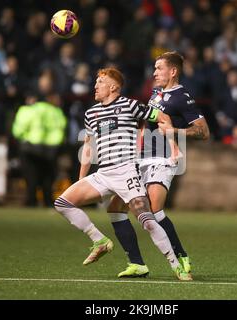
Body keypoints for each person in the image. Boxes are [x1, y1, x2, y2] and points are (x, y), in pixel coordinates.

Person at [53, 67, 192, 281]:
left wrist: (173, 145)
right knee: (62, 203)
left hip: (126, 172)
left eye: (100, 82)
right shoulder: (91, 113)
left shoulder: (130, 105)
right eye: (96, 82)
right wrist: (81, 180)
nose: (95, 85)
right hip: (103, 174)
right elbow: (89, 149)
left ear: (113, 86)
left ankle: (177, 266)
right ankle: (99, 240)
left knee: (147, 220)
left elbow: (162, 116)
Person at [106, 52, 209, 278]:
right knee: (115, 208)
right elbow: (147, 122)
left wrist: (175, 131)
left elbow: (203, 131)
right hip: (142, 157)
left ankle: (180, 255)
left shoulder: (182, 96)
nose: (154, 73)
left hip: (163, 158)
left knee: (152, 208)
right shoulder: (156, 93)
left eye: (159, 68)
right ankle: (136, 263)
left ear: (173, 71)